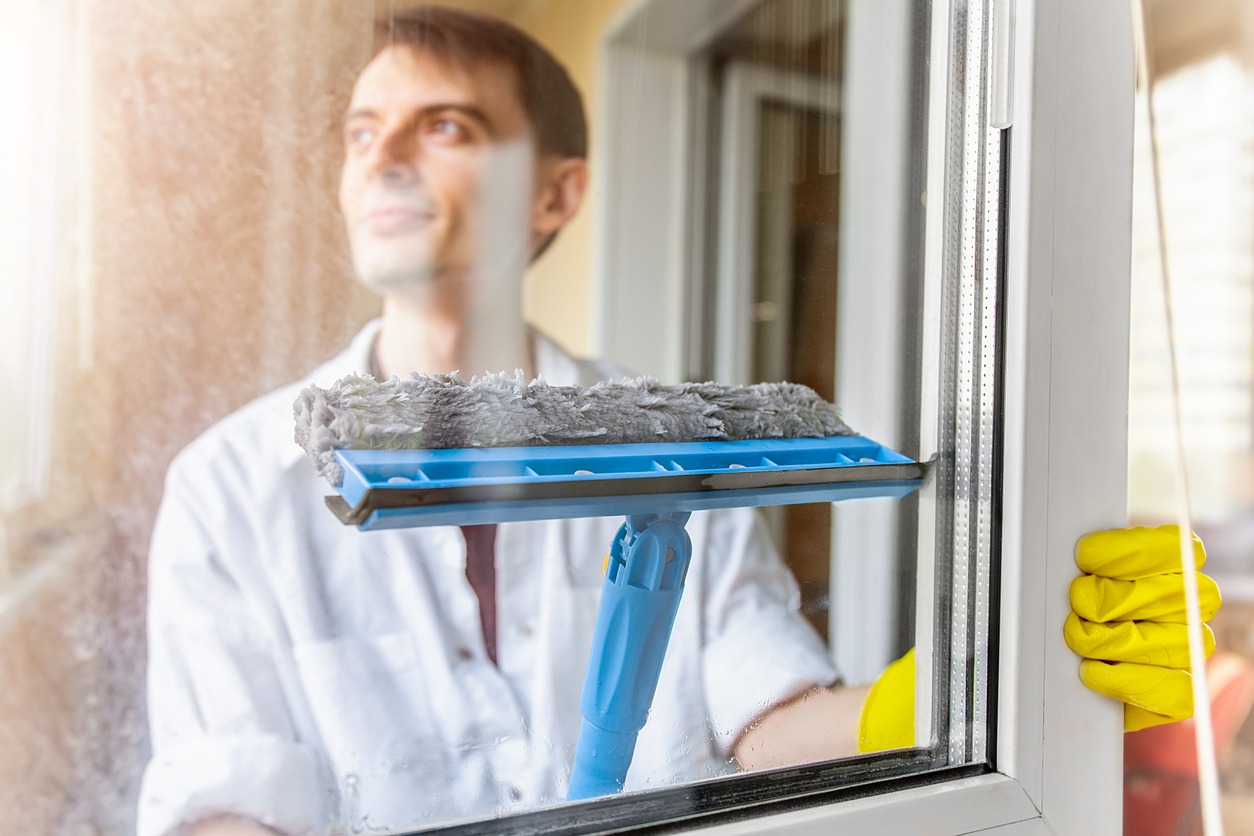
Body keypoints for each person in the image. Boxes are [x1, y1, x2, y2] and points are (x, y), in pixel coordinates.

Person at [138, 7, 1218, 835]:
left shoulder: (682, 454)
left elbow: (767, 720)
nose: (383, 157)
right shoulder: (230, 487)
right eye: (363, 132)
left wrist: (976, 690)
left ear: (557, 194)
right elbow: (227, 802)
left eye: (446, 125)